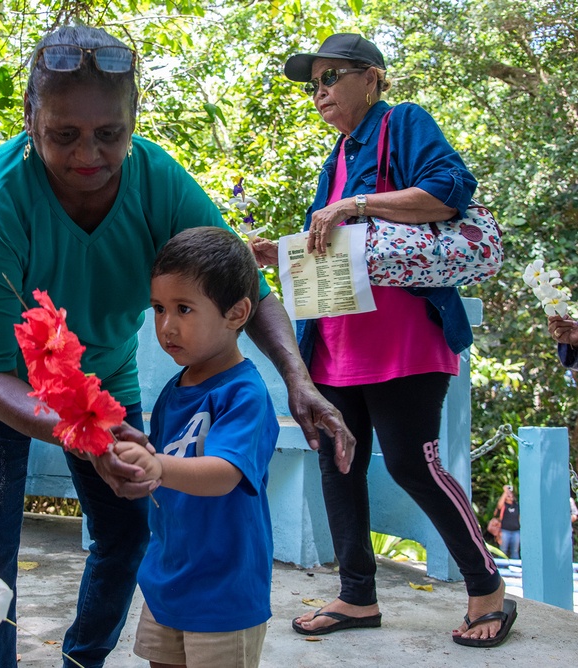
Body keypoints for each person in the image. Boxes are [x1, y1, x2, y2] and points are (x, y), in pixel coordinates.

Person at [0, 25, 355, 668]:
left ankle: (82, 658)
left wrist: (299, 381)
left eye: (110, 134)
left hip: (100, 362)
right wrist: (87, 437)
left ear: (132, 121)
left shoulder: (156, 179)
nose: (88, 155)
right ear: (30, 118)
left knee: (126, 531)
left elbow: (246, 285)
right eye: (64, 134)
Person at [251, 33, 516, 648]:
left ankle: (488, 589)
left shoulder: (404, 124)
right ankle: (356, 596)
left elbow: (451, 189)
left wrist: (358, 204)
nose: (318, 93)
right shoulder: (335, 157)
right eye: (312, 84)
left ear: (370, 77)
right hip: (337, 341)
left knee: (410, 463)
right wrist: (283, 252)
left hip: (405, 340)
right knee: (337, 462)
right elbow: (337, 248)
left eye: (329, 78)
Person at [114, 227, 278, 668]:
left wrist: (155, 464)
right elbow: (166, 461)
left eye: (184, 309)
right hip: (168, 577)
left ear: (237, 312)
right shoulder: (176, 387)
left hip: (224, 590)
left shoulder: (244, 394)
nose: (167, 325)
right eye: (159, 308)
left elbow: (223, 472)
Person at [495, 485, 520, 559]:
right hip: (505, 531)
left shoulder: (516, 505)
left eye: (511, 494)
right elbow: (499, 505)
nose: (510, 496)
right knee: (503, 551)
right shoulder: (504, 506)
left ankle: (516, 568)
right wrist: (505, 492)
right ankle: (501, 567)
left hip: (516, 531)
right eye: (508, 495)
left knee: (515, 551)